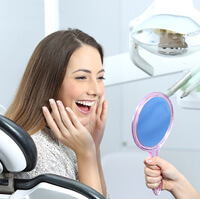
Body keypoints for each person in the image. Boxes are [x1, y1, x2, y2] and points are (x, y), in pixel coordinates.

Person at [4, 29, 108, 197]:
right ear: (50, 83)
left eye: (100, 77)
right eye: (82, 77)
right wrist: (87, 154)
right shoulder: (39, 155)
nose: (96, 90)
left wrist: (94, 146)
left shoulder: (68, 140)